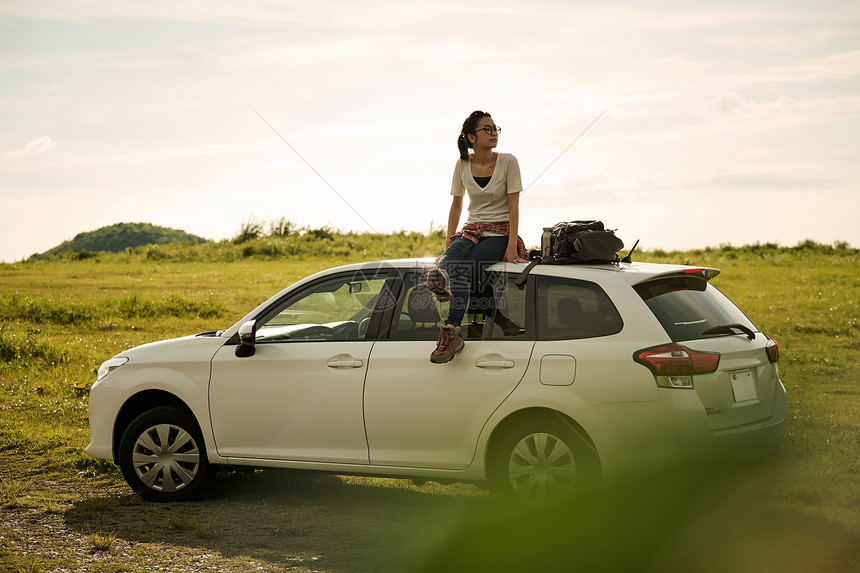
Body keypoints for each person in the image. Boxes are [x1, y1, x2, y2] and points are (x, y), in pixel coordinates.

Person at [427, 110, 529, 364]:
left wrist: (511, 247)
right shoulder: (462, 164)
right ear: (471, 137)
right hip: (471, 230)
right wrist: (449, 239)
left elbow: (514, 205)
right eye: (487, 129)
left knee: (463, 268)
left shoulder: (508, 161)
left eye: (496, 128)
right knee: (448, 261)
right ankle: (438, 279)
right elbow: (456, 205)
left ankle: (451, 328)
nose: (494, 133)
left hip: (500, 231)